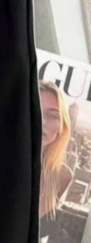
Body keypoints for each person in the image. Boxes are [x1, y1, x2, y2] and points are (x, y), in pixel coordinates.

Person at [39, 80, 73, 224]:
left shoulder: (63, 176)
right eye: (34, 111)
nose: (42, 122)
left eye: (52, 116)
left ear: (61, 127)